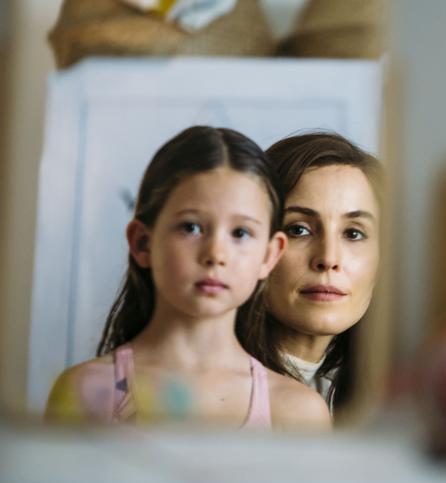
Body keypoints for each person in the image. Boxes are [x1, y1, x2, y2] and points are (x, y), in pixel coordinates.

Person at [45, 126, 331, 431]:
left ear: (269, 256)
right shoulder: (86, 392)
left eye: (241, 233)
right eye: (191, 227)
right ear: (142, 243)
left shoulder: (297, 411)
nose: (215, 254)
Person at [237, 132, 382, 417]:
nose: (328, 259)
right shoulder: (205, 394)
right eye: (298, 230)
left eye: (353, 233)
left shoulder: (387, 404)